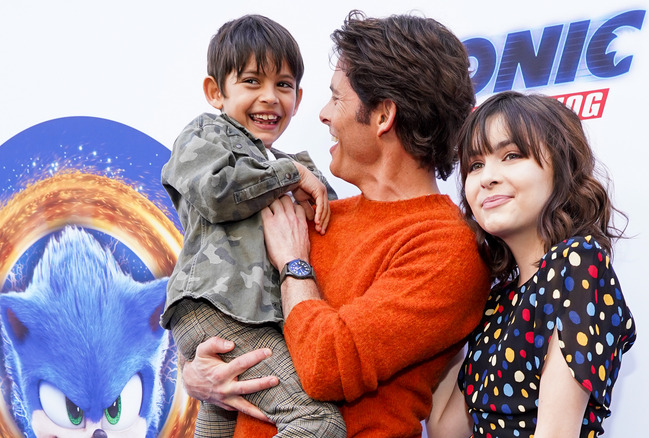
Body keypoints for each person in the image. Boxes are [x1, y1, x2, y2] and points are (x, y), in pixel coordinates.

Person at [179, 10, 492, 438]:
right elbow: (223, 308)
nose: (323, 114)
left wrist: (293, 264)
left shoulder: (448, 248)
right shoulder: (313, 214)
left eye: (337, 98)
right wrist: (193, 372)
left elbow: (325, 366)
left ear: (383, 116)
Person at [159, 14, 346, 437]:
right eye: (251, 81)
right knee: (316, 421)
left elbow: (330, 234)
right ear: (215, 91)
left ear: (298, 97)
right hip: (220, 311)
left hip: (251, 318)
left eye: (283, 85)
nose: (269, 98)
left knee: (221, 420)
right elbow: (216, 193)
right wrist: (291, 175)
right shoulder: (206, 134)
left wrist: (304, 181)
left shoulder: (290, 162)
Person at [425, 91, 636, 438]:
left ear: (561, 168)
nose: (486, 177)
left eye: (511, 155)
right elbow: (445, 429)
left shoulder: (577, 263)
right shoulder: (497, 302)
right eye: (475, 165)